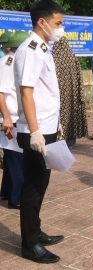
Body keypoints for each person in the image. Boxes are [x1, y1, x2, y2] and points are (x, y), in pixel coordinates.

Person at [13, 0, 66, 263]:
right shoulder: (30, 50)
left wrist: (54, 124)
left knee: (41, 182)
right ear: (42, 22)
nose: (61, 28)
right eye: (58, 23)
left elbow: (46, 93)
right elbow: (26, 92)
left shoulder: (44, 49)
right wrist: (35, 132)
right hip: (35, 130)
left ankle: (35, 230)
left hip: (46, 126)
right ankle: (29, 244)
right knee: (33, 185)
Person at [0, 31, 29, 209]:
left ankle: (7, 192)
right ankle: (16, 198)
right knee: (17, 159)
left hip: (12, 117)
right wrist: (7, 117)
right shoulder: (8, 63)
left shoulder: (11, 61)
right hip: (11, 117)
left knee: (12, 157)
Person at [52, 36, 88, 147]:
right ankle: (71, 141)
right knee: (72, 115)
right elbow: (80, 77)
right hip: (73, 94)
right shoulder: (73, 57)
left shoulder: (53, 58)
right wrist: (79, 93)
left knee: (61, 116)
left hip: (59, 94)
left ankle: (60, 139)